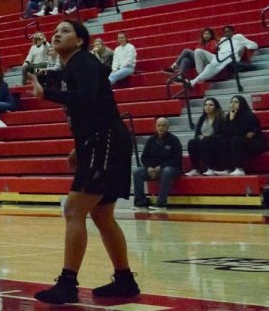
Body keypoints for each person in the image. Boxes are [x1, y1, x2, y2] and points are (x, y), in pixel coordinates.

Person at [28, 21, 138, 305]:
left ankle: (67, 283)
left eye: (65, 30)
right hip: (100, 141)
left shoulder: (84, 61)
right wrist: (79, 148)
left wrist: (47, 94)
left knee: (74, 208)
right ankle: (125, 280)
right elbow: (87, 110)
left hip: (106, 140)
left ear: (79, 41)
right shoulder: (71, 68)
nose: (56, 33)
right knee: (102, 215)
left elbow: (87, 99)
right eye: (55, 31)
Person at [132, 118, 182, 211]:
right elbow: (144, 157)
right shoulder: (151, 140)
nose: (161, 127)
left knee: (166, 171)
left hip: (172, 169)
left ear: (168, 127)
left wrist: (160, 167)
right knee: (137, 172)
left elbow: (176, 159)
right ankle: (140, 202)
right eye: (159, 125)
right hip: (153, 169)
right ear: (156, 127)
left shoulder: (174, 140)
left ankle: (161, 203)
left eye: (163, 125)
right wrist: (149, 168)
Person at [184, 26, 258, 88]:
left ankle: (193, 82)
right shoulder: (222, 40)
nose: (227, 33)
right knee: (198, 51)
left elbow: (254, 45)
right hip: (218, 56)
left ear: (233, 32)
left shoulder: (238, 37)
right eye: (225, 32)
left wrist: (244, 47)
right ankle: (200, 74)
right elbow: (216, 49)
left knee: (211, 66)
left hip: (229, 58)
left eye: (229, 31)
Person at [222, 95, 267, 176]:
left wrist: (232, 121)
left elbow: (243, 133)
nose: (233, 104)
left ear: (242, 104)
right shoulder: (229, 116)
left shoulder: (248, 115)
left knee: (236, 140)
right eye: (231, 102)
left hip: (256, 142)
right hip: (242, 140)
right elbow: (226, 132)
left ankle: (239, 169)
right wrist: (231, 119)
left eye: (236, 102)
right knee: (224, 141)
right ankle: (228, 169)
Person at [185, 97, 226, 176]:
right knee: (192, 142)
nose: (207, 107)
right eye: (206, 105)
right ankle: (195, 169)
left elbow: (223, 134)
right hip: (203, 141)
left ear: (215, 107)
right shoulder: (202, 118)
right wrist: (199, 137)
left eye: (210, 105)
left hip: (216, 142)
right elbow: (197, 134)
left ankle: (210, 168)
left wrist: (208, 137)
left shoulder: (220, 119)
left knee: (204, 142)